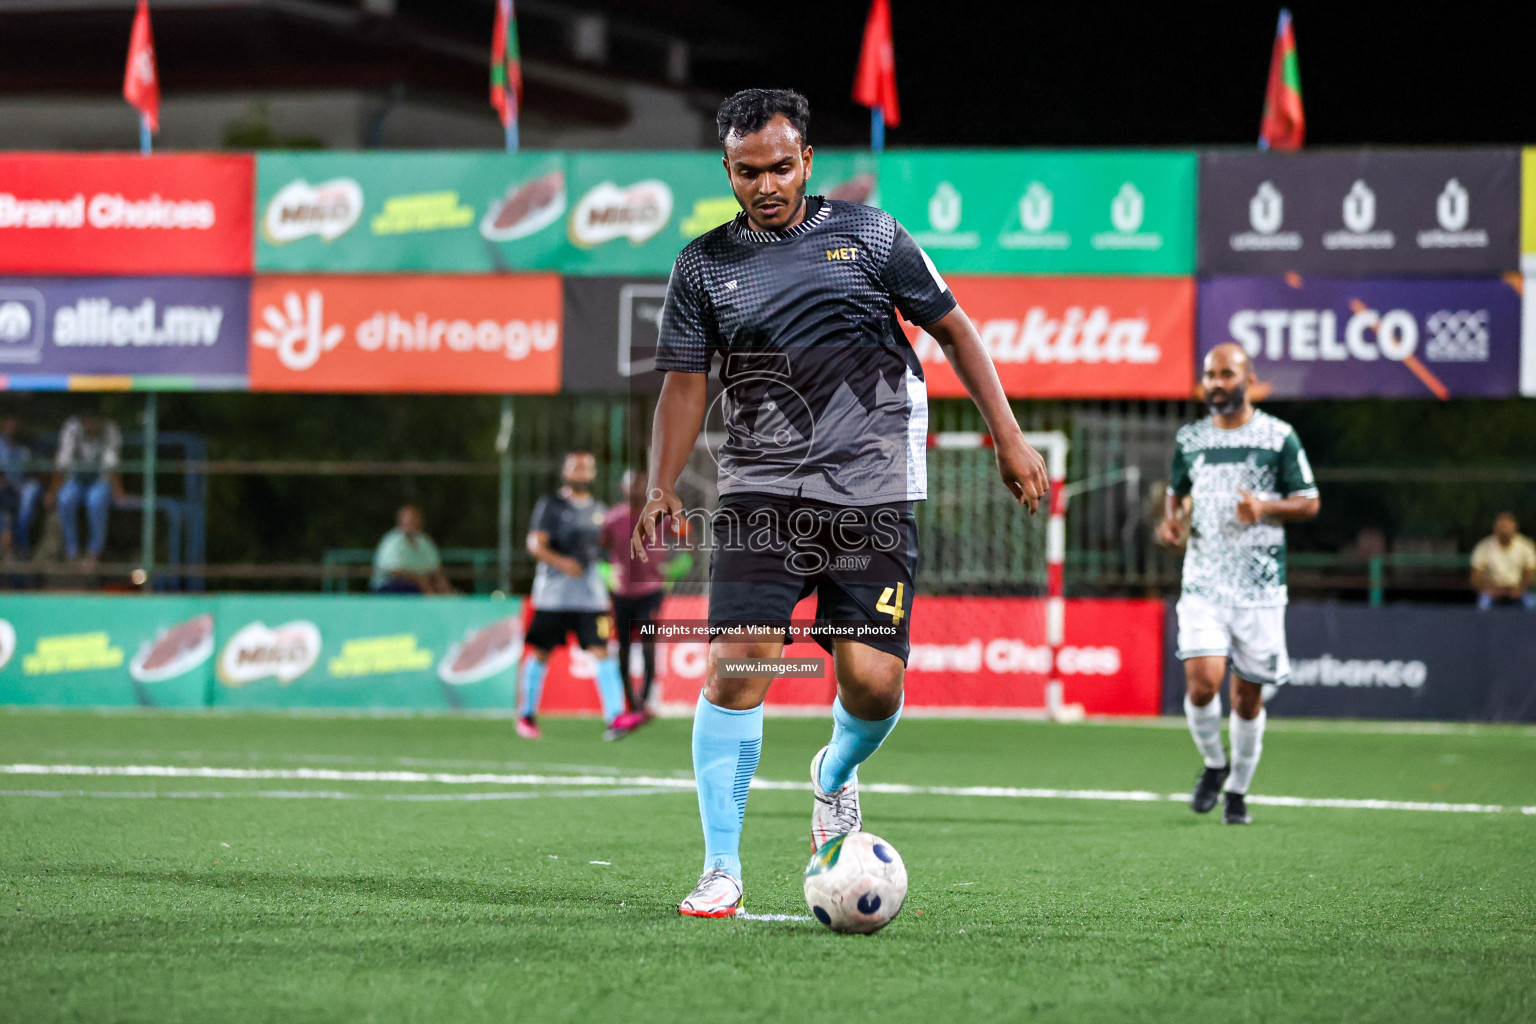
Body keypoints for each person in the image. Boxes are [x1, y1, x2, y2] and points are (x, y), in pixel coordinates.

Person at [633, 89, 1049, 917]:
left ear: (807, 161)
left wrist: (1008, 435)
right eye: (748, 172)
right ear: (727, 170)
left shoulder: (870, 235)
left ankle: (833, 772)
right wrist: (659, 484)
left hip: (872, 487)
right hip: (760, 489)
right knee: (736, 666)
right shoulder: (702, 265)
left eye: (781, 166)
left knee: (873, 684)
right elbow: (684, 385)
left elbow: (956, 331)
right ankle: (722, 868)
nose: (766, 185)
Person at [1156, 344, 1320, 826]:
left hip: (1260, 590)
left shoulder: (1278, 436)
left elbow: (1309, 501)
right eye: (1209, 374)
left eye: (1226, 374)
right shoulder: (1191, 439)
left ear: (1248, 379)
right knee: (1203, 683)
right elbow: (1175, 493)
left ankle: (1238, 791)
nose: (1216, 383)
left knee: (1247, 698)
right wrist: (1171, 524)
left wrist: (1266, 507)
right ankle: (1213, 762)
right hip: (1204, 583)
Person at [516, 451, 633, 741]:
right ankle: (526, 715)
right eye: (575, 467)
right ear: (565, 472)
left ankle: (615, 716)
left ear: (592, 474)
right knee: (540, 653)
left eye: (587, 468)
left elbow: (606, 550)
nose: (581, 472)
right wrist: (562, 562)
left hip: (591, 598)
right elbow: (535, 545)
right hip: (552, 597)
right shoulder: (551, 506)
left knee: (602, 650)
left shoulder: (599, 510)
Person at [601, 469, 691, 724]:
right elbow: (598, 548)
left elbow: (688, 540)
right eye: (631, 485)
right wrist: (605, 571)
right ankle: (631, 701)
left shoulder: (661, 516)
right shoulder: (612, 518)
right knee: (623, 648)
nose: (635, 490)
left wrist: (676, 567)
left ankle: (647, 698)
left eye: (640, 485)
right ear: (623, 488)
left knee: (649, 645)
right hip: (621, 594)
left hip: (651, 591)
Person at [47, 414, 127, 568]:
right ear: (82, 420)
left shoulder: (110, 429)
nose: (91, 423)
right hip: (76, 478)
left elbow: (112, 465)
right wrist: (52, 491)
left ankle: (93, 553)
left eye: (95, 419)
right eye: (87, 420)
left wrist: (118, 492)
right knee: (65, 499)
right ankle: (72, 552)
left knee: (96, 502)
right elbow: (62, 463)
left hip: (99, 479)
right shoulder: (72, 428)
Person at [370, 505, 454, 594]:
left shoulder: (425, 541)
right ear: (400, 522)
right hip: (389, 586)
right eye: (408, 521)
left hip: (420, 584)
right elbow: (394, 573)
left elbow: (436, 571)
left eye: (414, 521)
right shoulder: (392, 542)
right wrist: (420, 582)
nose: (411, 524)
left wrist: (447, 589)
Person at [1470, 512, 1536, 610]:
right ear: (1495, 528)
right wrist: (1492, 590)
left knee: (1531, 605)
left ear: (1514, 527)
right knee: (1483, 605)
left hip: (1519, 590)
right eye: (1501, 526)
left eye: (1507, 526)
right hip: (1492, 591)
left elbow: (1530, 575)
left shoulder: (1526, 546)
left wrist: (1519, 589)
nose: (1504, 530)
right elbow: (1476, 577)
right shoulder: (1483, 547)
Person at [0, 418, 42, 562]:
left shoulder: (23, 451)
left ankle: (21, 574)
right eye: (7, 424)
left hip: (16, 495)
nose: (11, 428)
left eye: (14, 425)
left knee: (21, 524)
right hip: (4, 497)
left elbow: (32, 475)